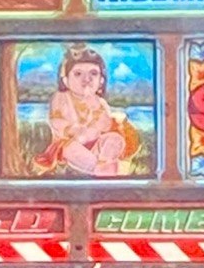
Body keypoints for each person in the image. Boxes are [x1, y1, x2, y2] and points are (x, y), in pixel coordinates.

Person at [32, 43, 138, 176]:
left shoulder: (100, 102)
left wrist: (97, 113)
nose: (86, 79)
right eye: (78, 74)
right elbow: (56, 121)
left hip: (95, 145)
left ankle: (104, 164)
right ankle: (101, 170)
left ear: (101, 81)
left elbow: (105, 126)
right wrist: (73, 130)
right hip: (70, 145)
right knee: (70, 149)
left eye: (93, 73)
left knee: (115, 139)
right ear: (65, 80)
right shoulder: (61, 97)